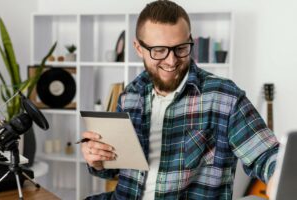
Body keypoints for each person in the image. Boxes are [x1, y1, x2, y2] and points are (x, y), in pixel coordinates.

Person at [81, 0, 279, 199]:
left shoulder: (224, 96)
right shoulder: (129, 96)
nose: (171, 61)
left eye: (181, 48)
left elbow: (266, 154)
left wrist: (277, 177)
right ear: (138, 48)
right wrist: (98, 161)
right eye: (159, 50)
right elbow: (117, 169)